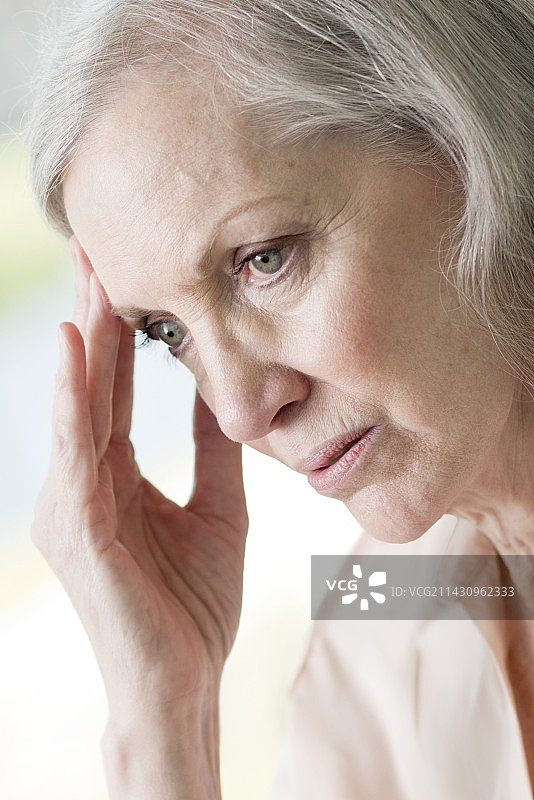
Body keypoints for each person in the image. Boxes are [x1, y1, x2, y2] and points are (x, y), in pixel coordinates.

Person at [28, 1, 533, 798]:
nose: (237, 412)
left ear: (468, 140)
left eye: (264, 260)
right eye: (165, 332)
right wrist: (165, 712)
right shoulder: (383, 621)